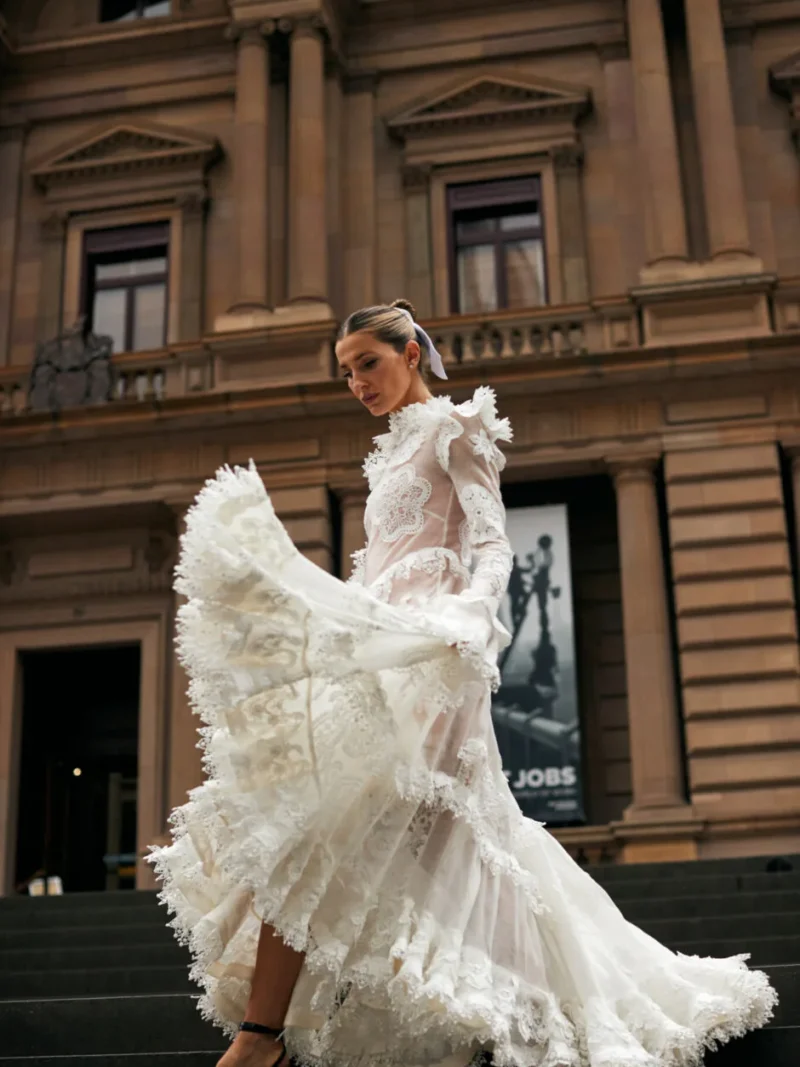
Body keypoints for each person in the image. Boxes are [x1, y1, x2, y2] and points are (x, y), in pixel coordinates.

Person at [147, 299, 777, 1067]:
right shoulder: (386, 455)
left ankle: (275, 1035)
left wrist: (471, 621)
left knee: (370, 830)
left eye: (368, 364)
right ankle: (266, 1033)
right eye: (346, 373)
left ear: (411, 353)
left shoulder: (457, 427)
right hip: (385, 649)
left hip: (439, 655)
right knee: (310, 823)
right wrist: (343, 633)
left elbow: (493, 544)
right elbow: (381, 566)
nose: (357, 383)